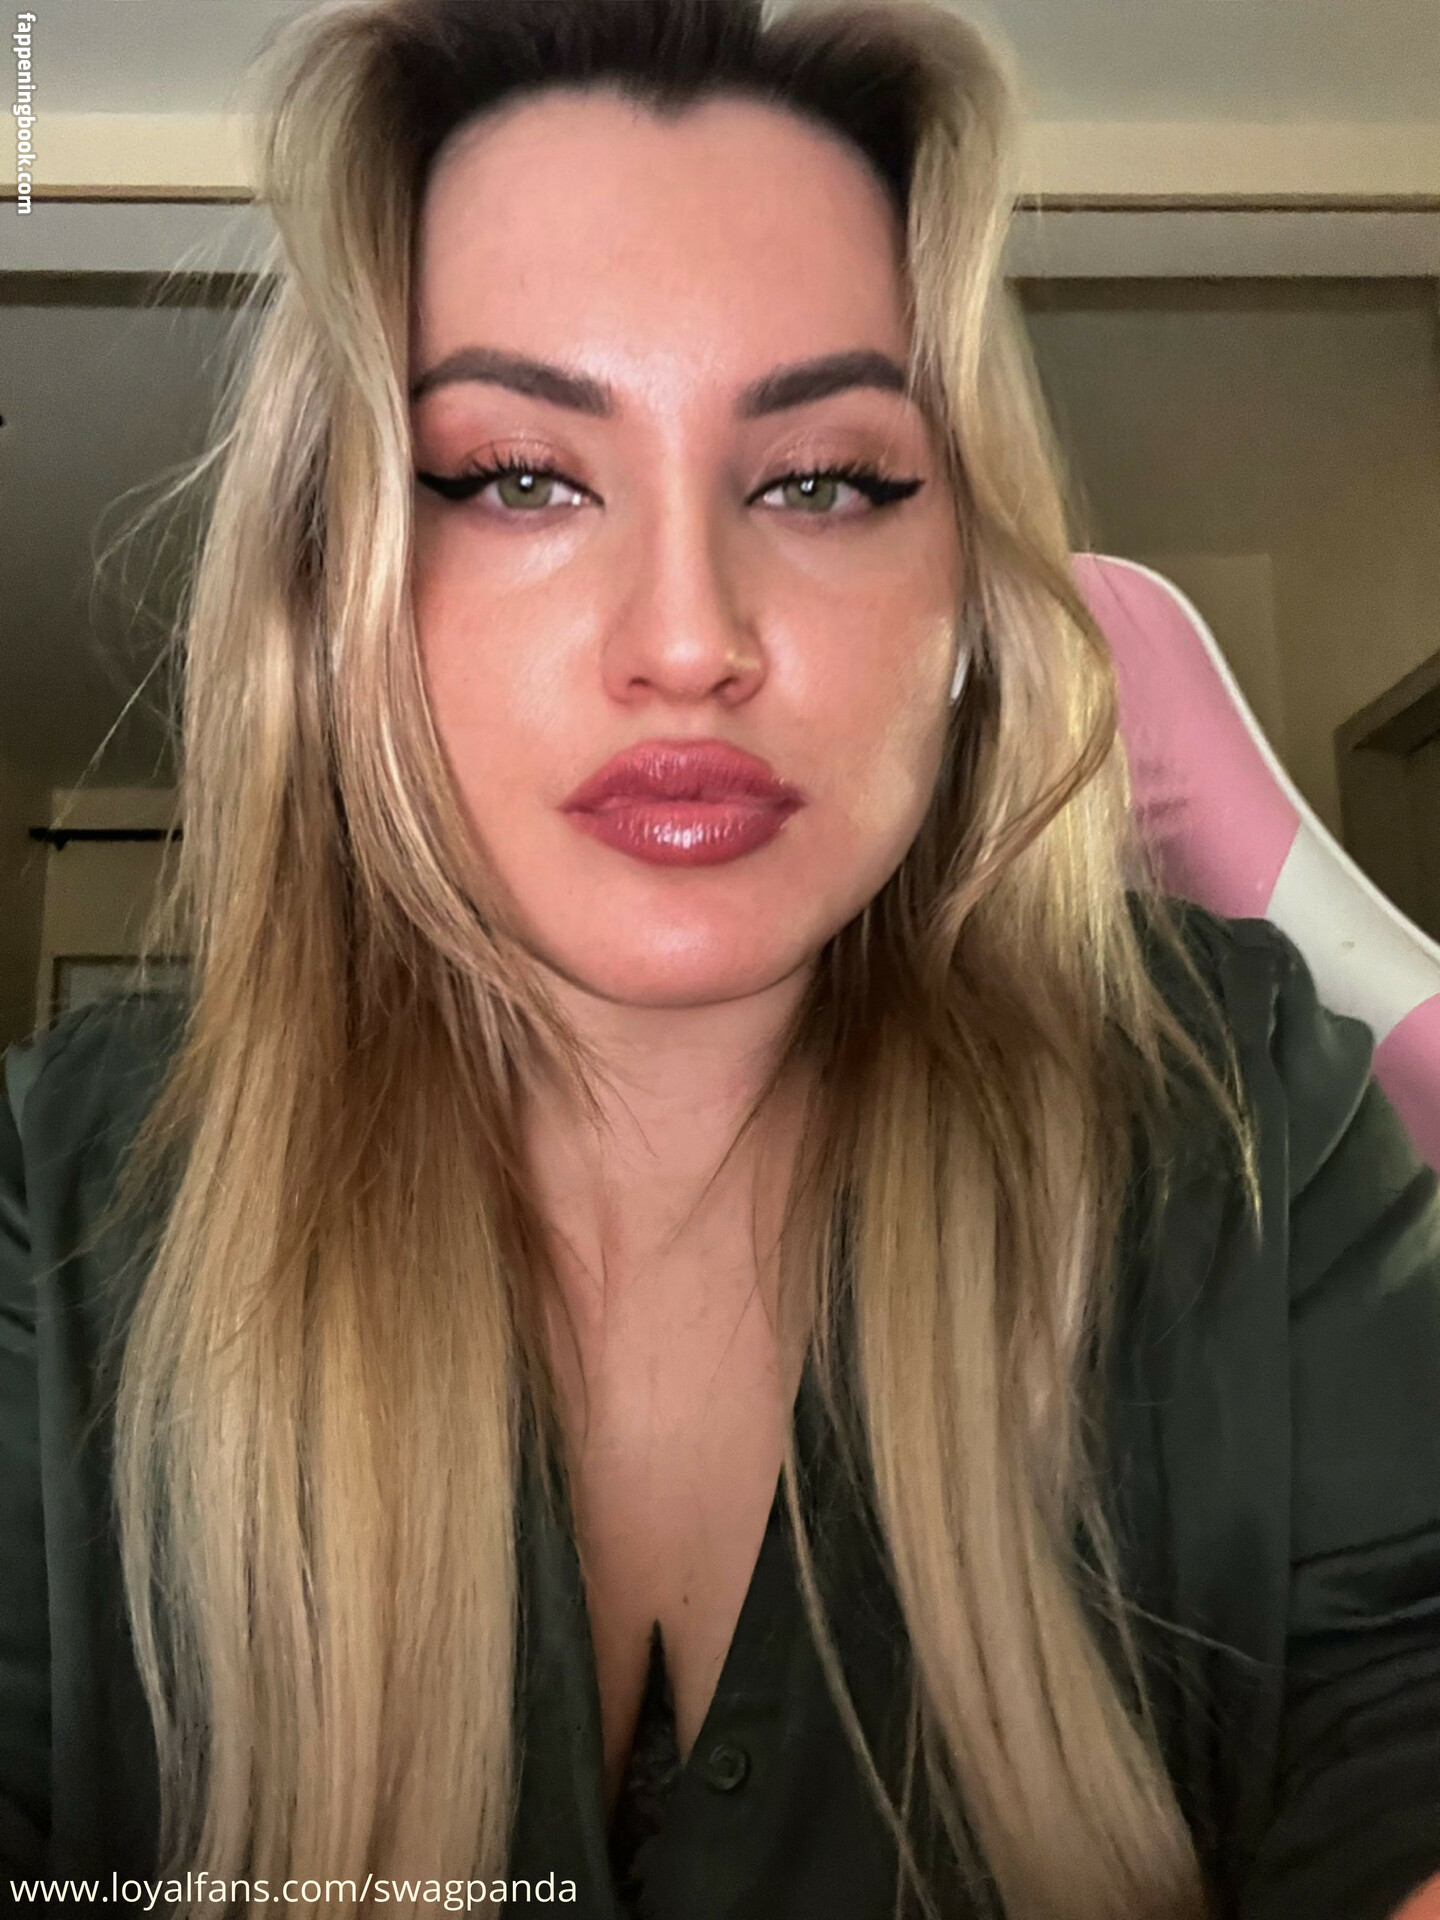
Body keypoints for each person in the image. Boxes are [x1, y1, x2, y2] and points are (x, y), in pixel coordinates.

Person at [2, 0, 1439, 1915]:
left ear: (970, 595)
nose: (689, 640)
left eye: (821, 479)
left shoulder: (1246, 1114)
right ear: (334, 584)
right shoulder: (61, 1197)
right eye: (518, 477)